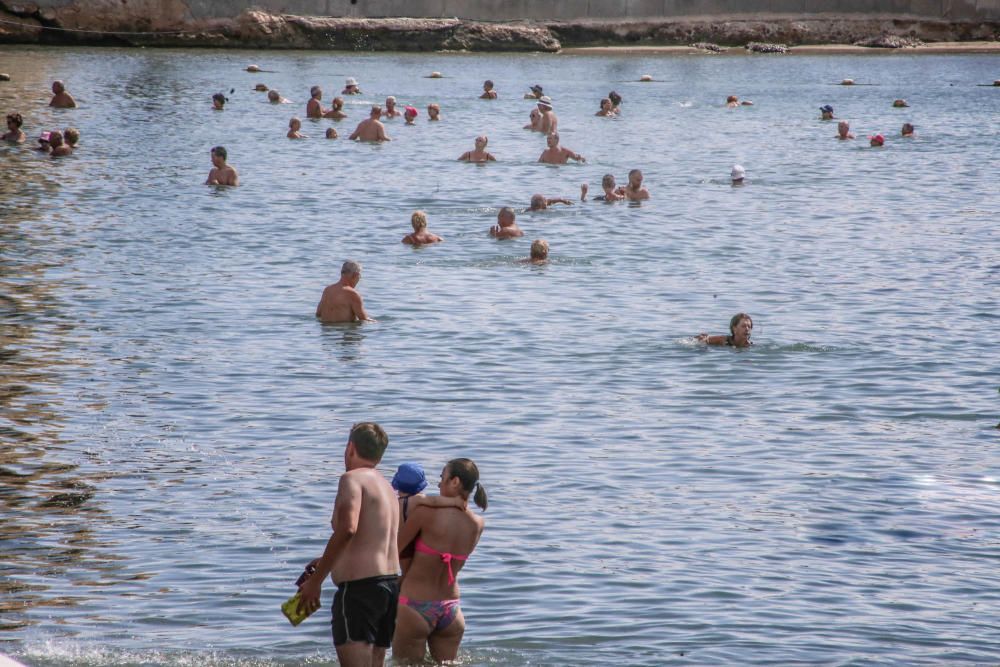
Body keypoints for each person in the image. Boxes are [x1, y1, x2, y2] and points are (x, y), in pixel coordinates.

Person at [296, 422, 400, 667]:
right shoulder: (387, 487)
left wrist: (316, 582)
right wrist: (327, 561)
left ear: (350, 447)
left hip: (360, 592)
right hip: (389, 587)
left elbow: (348, 529)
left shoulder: (351, 479)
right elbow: (374, 537)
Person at [392, 458, 487, 665]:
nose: (439, 484)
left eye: (442, 478)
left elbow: (393, 550)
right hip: (451, 610)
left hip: (415, 606)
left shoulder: (425, 513)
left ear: (455, 482)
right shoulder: (477, 524)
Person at [392, 463, 464, 577]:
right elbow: (435, 501)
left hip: (401, 542)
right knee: (413, 573)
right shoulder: (417, 499)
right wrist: (455, 502)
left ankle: (402, 581)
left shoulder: (397, 502)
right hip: (414, 542)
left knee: (405, 572)